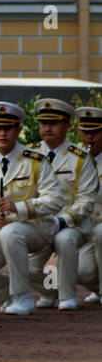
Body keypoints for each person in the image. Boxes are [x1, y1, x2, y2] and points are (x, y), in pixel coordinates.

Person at [0, 102, 66, 315]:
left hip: (36, 227)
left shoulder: (35, 160)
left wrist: (19, 208)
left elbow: (56, 200)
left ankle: (23, 298)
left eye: (8, 128)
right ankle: (28, 292)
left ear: (18, 130)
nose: (2, 133)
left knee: (12, 233)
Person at [26, 98, 99, 310]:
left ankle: (68, 297)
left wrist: (63, 221)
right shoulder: (28, 154)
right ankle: (50, 292)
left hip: (72, 223)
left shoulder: (80, 157)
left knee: (65, 240)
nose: (47, 128)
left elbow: (86, 199)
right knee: (28, 266)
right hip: (38, 223)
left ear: (66, 126)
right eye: (43, 123)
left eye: (54, 123)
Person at [77, 106, 102, 304]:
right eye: (86, 132)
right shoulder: (75, 160)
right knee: (82, 272)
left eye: (95, 132)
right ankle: (98, 289)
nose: (89, 138)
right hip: (85, 225)